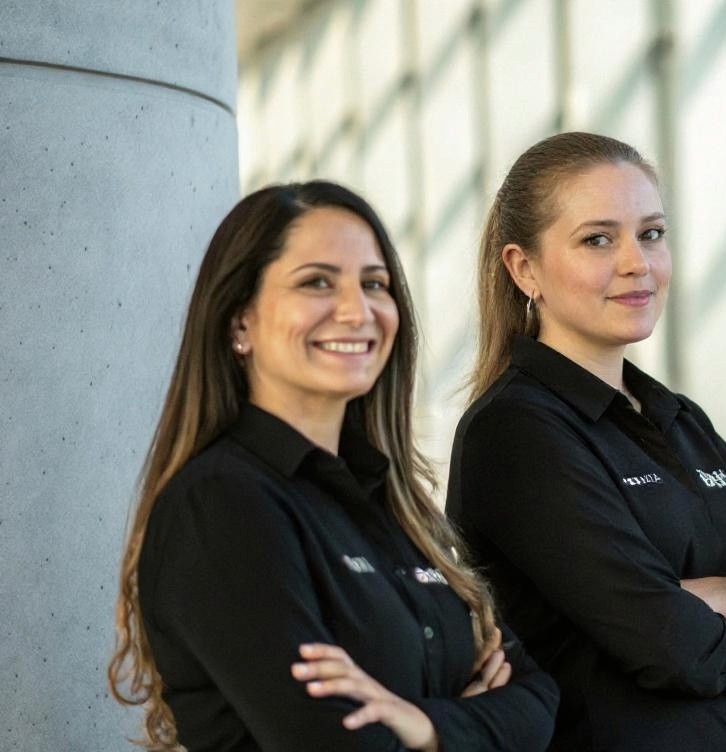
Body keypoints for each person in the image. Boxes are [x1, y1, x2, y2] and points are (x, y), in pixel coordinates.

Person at [107, 181, 558, 751]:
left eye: (374, 284)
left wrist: (423, 725)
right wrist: (467, 726)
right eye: (317, 282)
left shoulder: (391, 501)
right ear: (240, 321)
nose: (357, 310)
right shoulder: (221, 505)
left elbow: (538, 700)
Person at [447, 132, 726, 751]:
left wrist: (708, 598)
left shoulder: (678, 418)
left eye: (651, 234)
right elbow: (673, 649)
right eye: (598, 240)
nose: (636, 262)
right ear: (524, 268)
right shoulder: (517, 431)